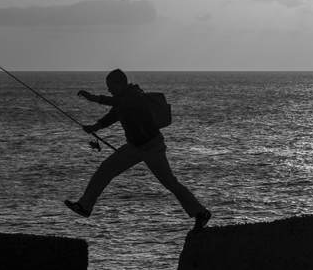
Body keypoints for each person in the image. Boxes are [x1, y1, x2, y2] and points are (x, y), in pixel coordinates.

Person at [64, 69, 211, 230]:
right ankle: (85, 206)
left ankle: (201, 212)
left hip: (152, 147)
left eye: (111, 86)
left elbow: (119, 104)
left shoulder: (134, 96)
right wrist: (95, 127)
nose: (109, 90)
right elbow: (113, 115)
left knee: (170, 183)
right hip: (134, 147)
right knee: (105, 169)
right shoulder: (121, 99)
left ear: (120, 84)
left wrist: (93, 98)